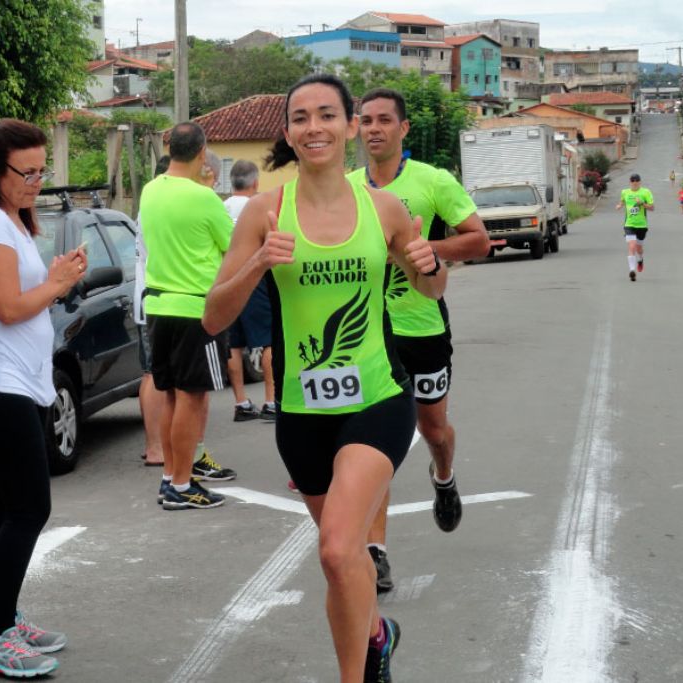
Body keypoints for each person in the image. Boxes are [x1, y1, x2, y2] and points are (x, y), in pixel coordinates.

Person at [203, 73, 445, 683]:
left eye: (328, 116)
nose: (315, 128)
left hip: (379, 399)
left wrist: (430, 264)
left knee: (337, 548)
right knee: (348, 560)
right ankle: (378, 635)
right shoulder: (265, 211)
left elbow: (431, 286)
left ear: (351, 126)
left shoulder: (385, 208)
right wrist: (258, 261)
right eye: (302, 118)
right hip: (302, 414)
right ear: (288, 132)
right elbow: (214, 316)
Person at [0, 119, 88, 678]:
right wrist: (56, 284)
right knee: (32, 507)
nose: (36, 181)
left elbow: (22, 303)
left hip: (18, 382)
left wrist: (57, 281)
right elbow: (9, 307)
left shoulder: (10, 219)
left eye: (41, 171)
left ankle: (4, 621)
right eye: (25, 172)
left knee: (5, 507)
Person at [348, 88, 490, 592]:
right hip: (366, 336)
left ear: (403, 129)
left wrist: (422, 247)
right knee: (374, 444)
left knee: (433, 430)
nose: (374, 129)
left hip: (423, 327)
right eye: (365, 120)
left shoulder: (432, 181)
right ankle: (376, 551)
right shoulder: (345, 188)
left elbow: (479, 239)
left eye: (385, 120)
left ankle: (444, 478)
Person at [142, 122, 235, 510]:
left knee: (171, 398)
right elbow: (234, 246)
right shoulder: (204, 198)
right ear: (202, 153)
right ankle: (182, 484)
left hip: (159, 305)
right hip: (196, 309)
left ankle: (171, 478)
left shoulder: (150, 190)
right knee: (191, 399)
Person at [222, 160, 277, 422]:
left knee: (234, 343)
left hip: (229, 278)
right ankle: (271, 400)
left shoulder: (221, 208)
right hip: (256, 280)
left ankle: (241, 402)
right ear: (255, 183)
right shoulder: (258, 208)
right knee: (268, 340)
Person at [135, 155, 173, 466]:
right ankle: (155, 446)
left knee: (154, 373)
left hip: (149, 295)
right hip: (154, 295)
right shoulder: (157, 200)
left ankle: (158, 444)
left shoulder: (149, 199)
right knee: (154, 374)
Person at [616, 173, 654, 282]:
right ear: (630, 182)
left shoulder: (645, 192)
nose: (635, 182)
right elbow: (622, 201)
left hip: (642, 225)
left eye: (637, 180)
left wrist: (642, 203)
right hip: (629, 224)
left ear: (640, 182)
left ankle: (640, 260)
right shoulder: (625, 192)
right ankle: (632, 271)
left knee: (639, 249)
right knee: (632, 246)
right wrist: (619, 205)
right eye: (632, 180)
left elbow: (652, 207)